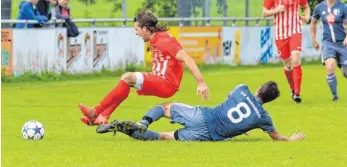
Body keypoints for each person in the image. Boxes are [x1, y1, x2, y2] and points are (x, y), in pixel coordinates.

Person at [79, 10, 211, 126]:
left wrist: (201, 82)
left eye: (137, 29)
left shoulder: (165, 41)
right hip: (161, 81)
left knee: (127, 77)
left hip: (166, 83)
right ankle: (102, 116)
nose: (136, 33)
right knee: (125, 82)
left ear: (146, 28)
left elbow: (187, 58)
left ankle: (95, 112)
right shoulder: (158, 37)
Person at [96, 81, 305, 142]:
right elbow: (277, 138)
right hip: (208, 135)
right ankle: (127, 130)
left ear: (258, 89)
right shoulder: (263, 117)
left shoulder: (242, 89)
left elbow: (232, 93)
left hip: (205, 115)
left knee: (165, 107)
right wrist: (290, 139)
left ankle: (143, 122)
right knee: (164, 137)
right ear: (269, 100)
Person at [262, 0, 311, 103]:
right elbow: (265, 12)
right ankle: (292, 88)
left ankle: (297, 93)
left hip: (295, 30)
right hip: (280, 33)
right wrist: (277, 9)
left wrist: (307, 16)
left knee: (296, 59)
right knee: (288, 65)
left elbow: (306, 6)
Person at [310, 0, 347, 101]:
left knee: (346, 71)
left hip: (343, 43)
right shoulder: (319, 7)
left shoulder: (343, 7)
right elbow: (313, 23)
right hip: (328, 43)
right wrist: (314, 39)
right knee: (330, 66)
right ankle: (335, 96)